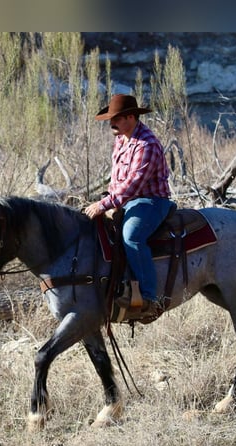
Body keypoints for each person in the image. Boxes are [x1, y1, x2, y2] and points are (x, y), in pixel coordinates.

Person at [84, 93, 174, 319]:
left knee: (131, 235)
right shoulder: (121, 140)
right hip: (127, 199)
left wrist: (105, 204)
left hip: (151, 200)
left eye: (116, 118)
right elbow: (117, 179)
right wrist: (109, 198)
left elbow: (133, 185)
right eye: (110, 119)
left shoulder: (147, 144)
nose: (111, 123)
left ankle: (148, 297)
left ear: (131, 117)